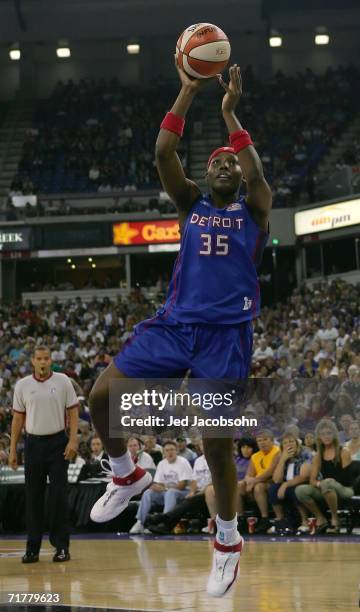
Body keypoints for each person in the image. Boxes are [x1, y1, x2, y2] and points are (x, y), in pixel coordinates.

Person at [88, 62, 271, 597]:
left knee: (216, 444)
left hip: (226, 336)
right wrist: (188, 90)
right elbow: (163, 154)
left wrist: (231, 115)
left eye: (229, 163)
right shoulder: (189, 203)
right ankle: (125, 474)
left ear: (237, 175)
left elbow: (258, 176)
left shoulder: (253, 211)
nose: (222, 166)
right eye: (213, 161)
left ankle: (229, 542)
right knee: (102, 395)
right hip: (175, 325)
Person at [9, 346, 79, 563]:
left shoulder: (63, 381)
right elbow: (18, 419)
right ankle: (32, 548)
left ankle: (62, 548)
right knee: (33, 498)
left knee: (58, 497)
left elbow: (73, 411)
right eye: (38, 358)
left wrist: (73, 439)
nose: (42, 362)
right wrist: (12, 449)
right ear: (32, 361)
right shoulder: (22, 385)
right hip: (33, 445)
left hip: (58, 442)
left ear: (51, 360)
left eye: (46, 358)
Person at [295, 418, 353, 534]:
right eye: (323, 434)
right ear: (319, 437)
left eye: (329, 433)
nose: (326, 436)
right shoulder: (318, 455)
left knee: (327, 483)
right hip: (326, 488)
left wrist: (330, 482)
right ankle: (320, 518)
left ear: (334, 435)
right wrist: (319, 483)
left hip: (345, 489)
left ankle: (335, 518)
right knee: (300, 490)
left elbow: (348, 478)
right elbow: (312, 480)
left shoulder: (344, 451)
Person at [147, 442, 212, 535]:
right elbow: (194, 480)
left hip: (209, 492)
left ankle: (165, 519)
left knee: (187, 501)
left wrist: (199, 492)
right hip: (197, 491)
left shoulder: (217, 459)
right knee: (188, 499)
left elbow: (214, 482)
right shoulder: (198, 461)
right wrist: (193, 491)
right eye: (202, 445)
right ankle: (165, 525)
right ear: (200, 447)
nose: (205, 447)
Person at [130, 440, 192, 534]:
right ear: (163, 452)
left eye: (172, 449)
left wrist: (165, 488)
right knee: (148, 493)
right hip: (167, 492)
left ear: (177, 451)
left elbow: (182, 485)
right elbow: (158, 483)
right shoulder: (162, 463)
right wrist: (156, 487)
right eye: (167, 450)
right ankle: (140, 523)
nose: (170, 452)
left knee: (170, 492)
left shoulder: (183, 462)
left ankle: (165, 523)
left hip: (184, 493)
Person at [237, 430, 280, 533]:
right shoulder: (255, 456)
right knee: (238, 485)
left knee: (258, 487)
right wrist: (248, 481)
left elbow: (270, 472)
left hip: (273, 482)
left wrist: (253, 481)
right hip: (258, 481)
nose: (262, 442)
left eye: (265, 439)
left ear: (272, 441)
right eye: (259, 440)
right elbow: (248, 474)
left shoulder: (277, 452)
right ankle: (240, 519)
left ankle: (265, 518)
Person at [269, 431, 312, 533]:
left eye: (291, 441)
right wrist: (282, 460)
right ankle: (280, 521)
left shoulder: (305, 454)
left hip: (303, 484)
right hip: (286, 486)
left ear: (297, 444)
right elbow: (276, 479)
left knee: (294, 490)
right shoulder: (281, 457)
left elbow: (304, 477)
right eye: (285, 443)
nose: (289, 444)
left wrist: (285, 484)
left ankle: (305, 521)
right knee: (273, 488)